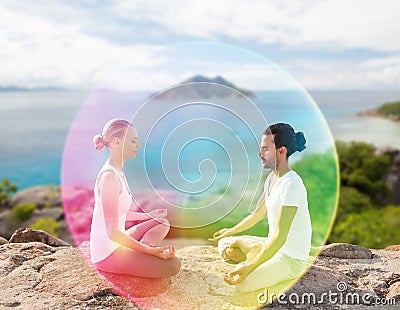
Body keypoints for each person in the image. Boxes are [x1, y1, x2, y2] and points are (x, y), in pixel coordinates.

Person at [209, 123, 312, 292]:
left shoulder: (292, 184)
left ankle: (253, 252)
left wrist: (249, 266)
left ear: (281, 151)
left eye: (265, 149)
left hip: (290, 258)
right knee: (224, 243)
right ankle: (255, 250)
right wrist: (230, 231)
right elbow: (257, 215)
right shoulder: (271, 179)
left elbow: (280, 236)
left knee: (242, 285)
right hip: (271, 244)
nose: (259, 154)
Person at [89, 119, 181, 278]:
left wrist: (149, 215)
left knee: (161, 222)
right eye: (133, 141)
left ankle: (143, 251)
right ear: (117, 142)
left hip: (118, 242)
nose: (138, 146)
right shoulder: (109, 177)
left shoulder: (119, 173)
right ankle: (145, 251)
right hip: (107, 254)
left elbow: (120, 213)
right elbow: (113, 233)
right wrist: (151, 251)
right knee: (173, 265)